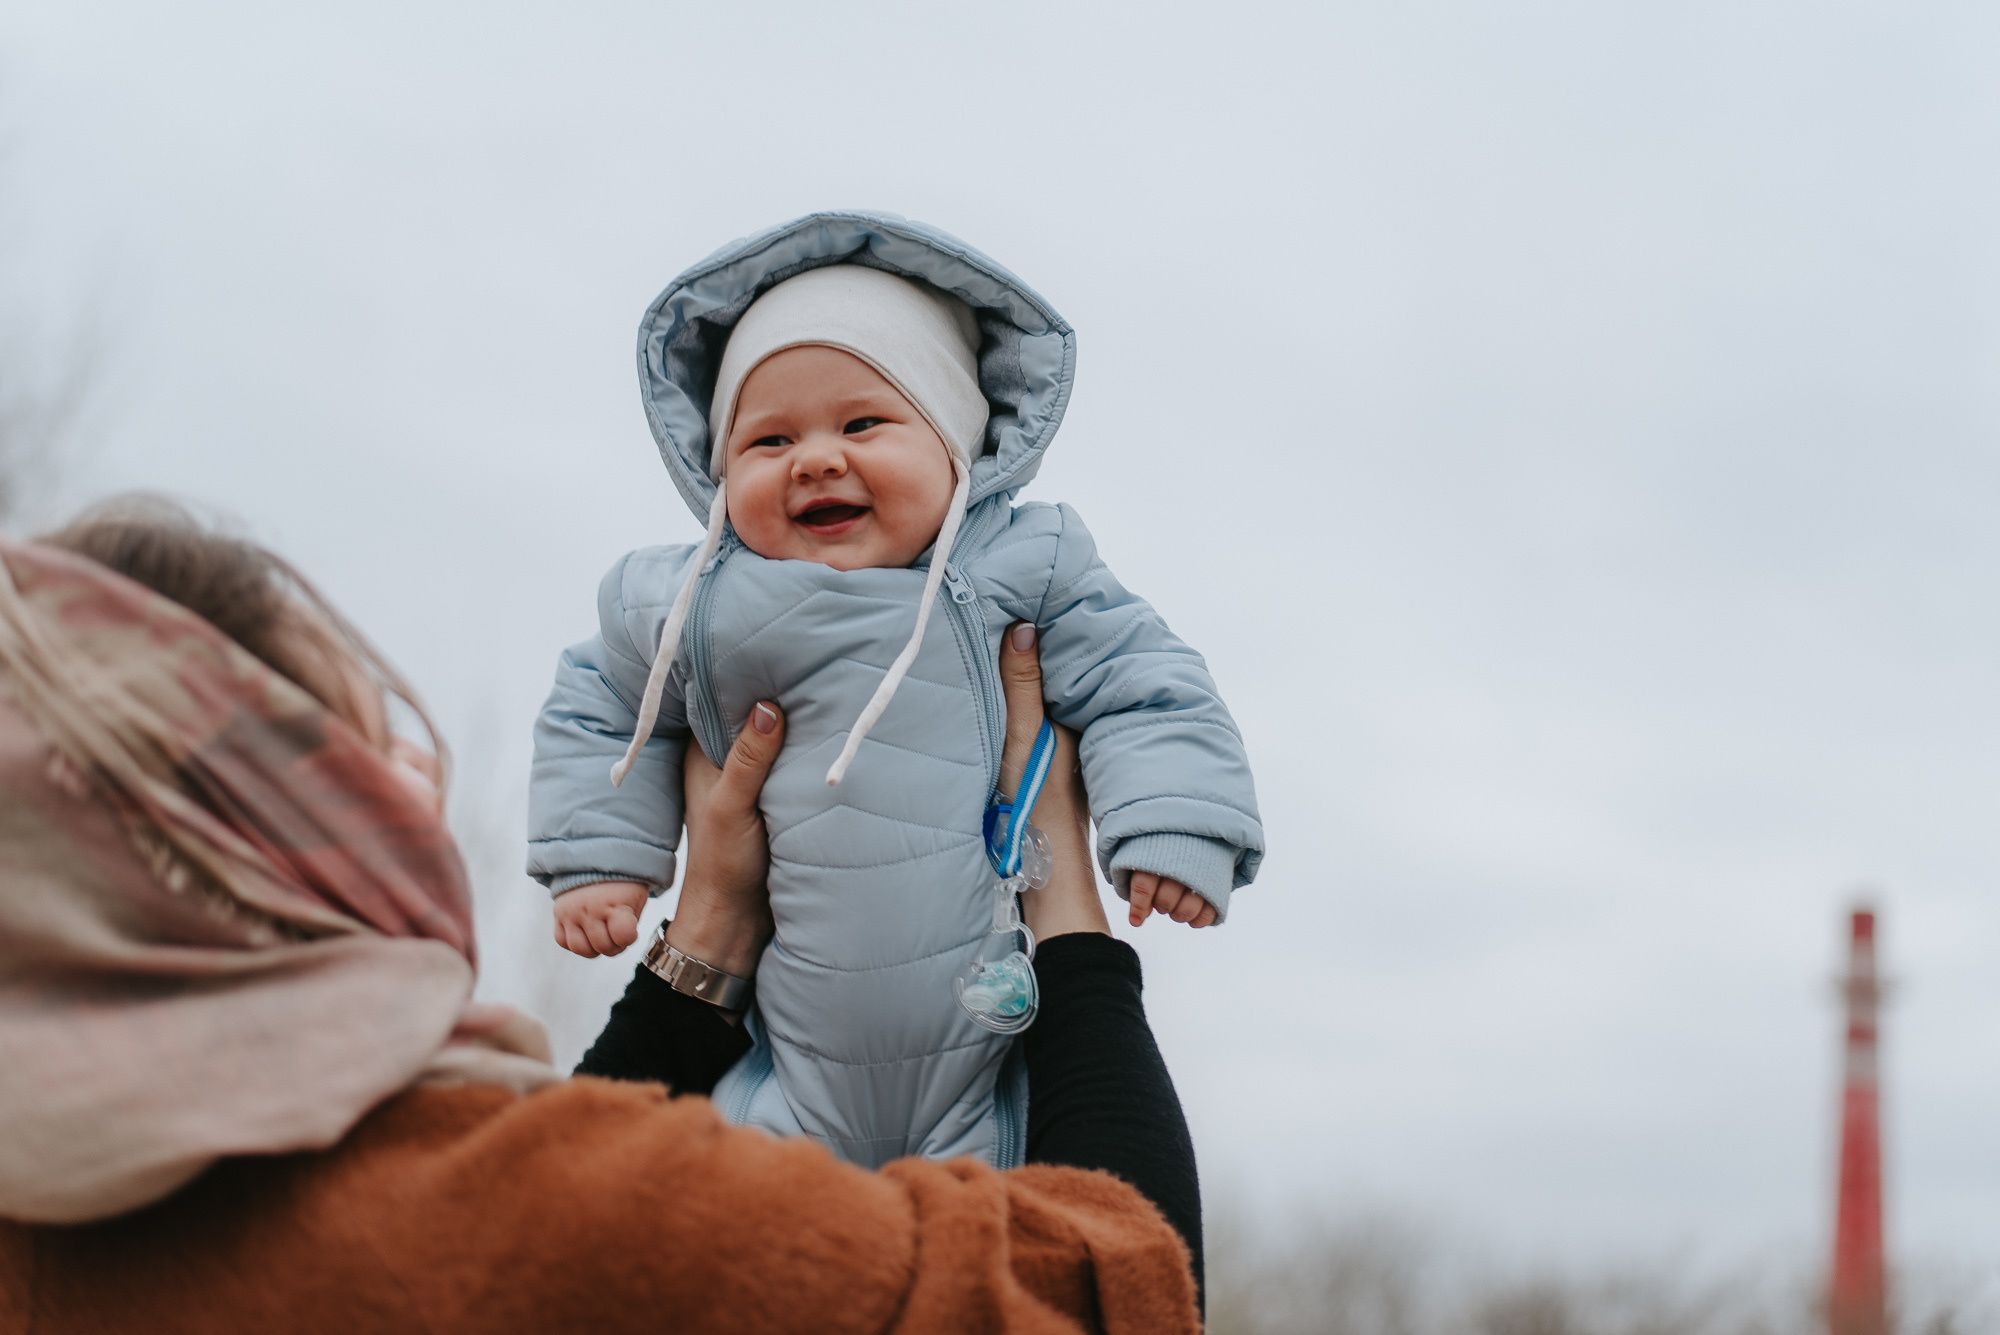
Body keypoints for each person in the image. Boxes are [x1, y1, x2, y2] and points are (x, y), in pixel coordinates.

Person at [0, 503, 1204, 1331]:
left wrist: (712, 936)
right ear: (246, 828)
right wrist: (1059, 893)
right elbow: (1097, 1291)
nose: (422, 786)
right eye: (361, 751)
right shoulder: (511, 1215)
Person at [529, 211, 1266, 1174]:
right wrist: (599, 856)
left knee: (1023, 1232)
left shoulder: (1018, 563)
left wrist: (1174, 826)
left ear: (956, 445)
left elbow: (1147, 683)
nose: (816, 458)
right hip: (783, 1064)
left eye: (863, 423)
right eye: (768, 440)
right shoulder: (687, 601)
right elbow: (596, 700)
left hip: (986, 1052)